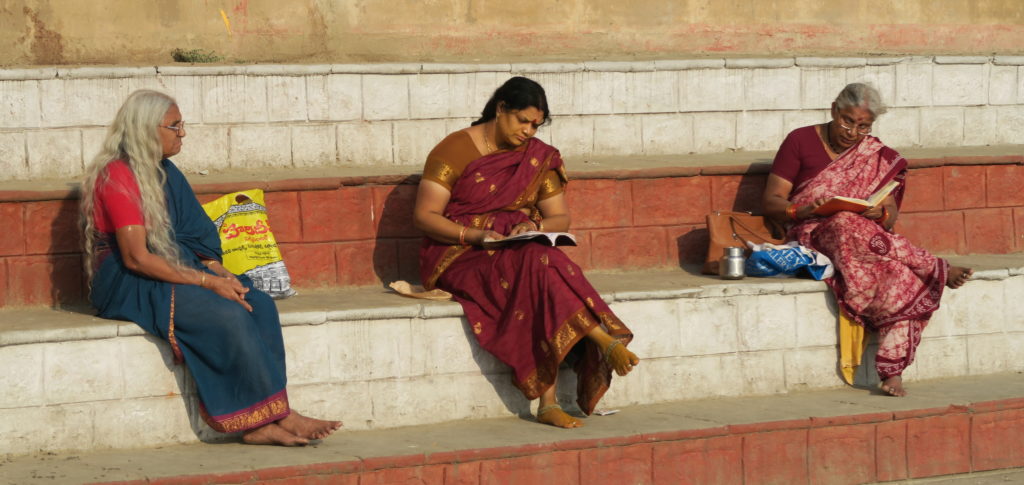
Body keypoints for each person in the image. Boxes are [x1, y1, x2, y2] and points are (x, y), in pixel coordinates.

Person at [79, 90, 341, 446]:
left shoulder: (166, 171)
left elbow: (193, 234)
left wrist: (216, 270)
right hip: (128, 280)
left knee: (259, 303)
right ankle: (265, 422)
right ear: (145, 129)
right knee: (226, 314)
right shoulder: (117, 176)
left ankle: (273, 414)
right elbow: (137, 257)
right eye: (174, 126)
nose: (182, 133)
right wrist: (205, 283)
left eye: (181, 125)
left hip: (175, 265)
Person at [412, 77, 639, 428]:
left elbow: (559, 216)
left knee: (536, 264)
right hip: (458, 253)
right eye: (523, 121)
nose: (529, 131)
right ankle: (600, 338)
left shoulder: (537, 157)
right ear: (501, 108)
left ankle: (549, 402)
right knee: (536, 266)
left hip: (517, 251)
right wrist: (475, 235)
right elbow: (424, 216)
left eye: (536, 124)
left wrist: (534, 229)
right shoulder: (454, 149)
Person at [762, 83, 972, 397]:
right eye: (847, 121)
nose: (852, 132)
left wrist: (878, 214)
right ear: (834, 110)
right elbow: (771, 201)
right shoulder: (800, 140)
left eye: (863, 126)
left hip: (865, 238)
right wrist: (803, 208)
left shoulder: (877, 154)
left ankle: (893, 372)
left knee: (900, 277)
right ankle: (934, 266)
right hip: (811, 232)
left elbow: (890, 215)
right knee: (845, 221)